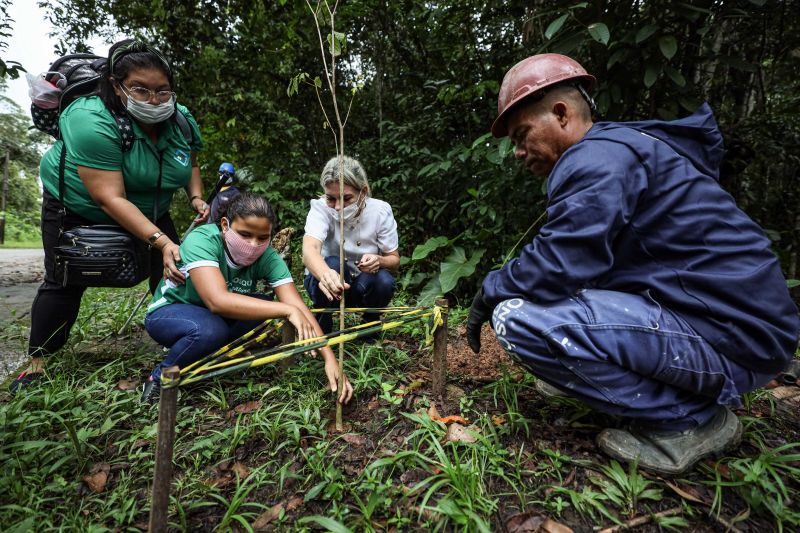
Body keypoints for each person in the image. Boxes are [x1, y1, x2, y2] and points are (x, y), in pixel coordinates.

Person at [465, 53, 800, 475]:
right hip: (740, 328)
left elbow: (558, 264)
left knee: (517, 317)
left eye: (522, 134)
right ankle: (658, 389)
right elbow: (585, 264)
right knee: (555, 314)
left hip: (731, 339)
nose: (517, 152)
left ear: (562, 114)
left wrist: (492, 288)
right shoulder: (621, 147)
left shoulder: (594, 160)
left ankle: (689, 420)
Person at [11, 39, 208, 393]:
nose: (154, 100)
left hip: (151, 206)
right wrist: (160, 240)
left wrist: (195, 197)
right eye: (140, 90)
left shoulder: (180, 120)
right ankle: (38, 362)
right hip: (79, 204)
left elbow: (190, 161)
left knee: (175, 271)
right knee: (66, 278)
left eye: (163, 91)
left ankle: (181, 336)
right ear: (117, 87)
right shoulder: (89, 119)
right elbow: (110, 197)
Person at [142, 191, 353, 404]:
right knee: (209, 330)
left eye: (262, 238)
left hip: (214, 318)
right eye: (244, 234)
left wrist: (331, 359)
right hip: (169, 313)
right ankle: (158, 378)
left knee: (263, 309)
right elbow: (217, 301)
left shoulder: (268, 258)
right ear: (225, 225)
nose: (253, 245)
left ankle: (211, 354)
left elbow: (298, 306)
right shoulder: (203, 240)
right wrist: (288, 310)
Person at [302, 155, 400, 335]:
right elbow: (310, 249)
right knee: (332, 263)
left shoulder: (379, 211)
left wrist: (379, 260)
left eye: (346, 198)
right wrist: (326, 274)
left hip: (362, 282)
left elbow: (394, 259)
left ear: (363, 191)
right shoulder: (320, 208)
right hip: (326, 283)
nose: (338, 207)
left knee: (384, 280)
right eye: (331, 199)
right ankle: (323, 323)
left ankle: (370, 323)